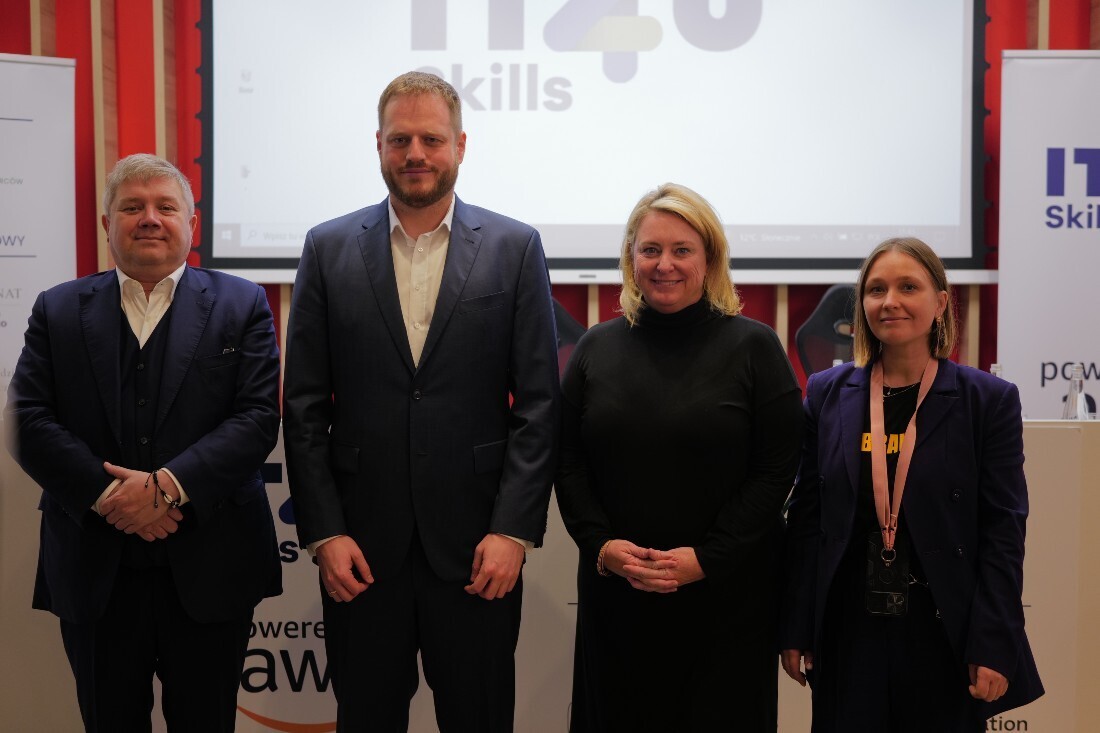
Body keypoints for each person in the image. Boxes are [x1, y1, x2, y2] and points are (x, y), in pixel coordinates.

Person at [282, 71, 560, 732]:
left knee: (479, 716)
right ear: (377, 144)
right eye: (400, 138)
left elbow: (541, 405)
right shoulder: (327, 247)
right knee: (367, 717)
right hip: (361, 550)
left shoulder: (514, 247)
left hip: (477, 550)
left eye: (431, 139)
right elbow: (303, 405)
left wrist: (513, 530)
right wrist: (324, 531)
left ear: (460, 145)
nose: (415, 153)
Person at [4, 153, 282, 732]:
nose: (149, 218)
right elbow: (26, 419)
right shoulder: (56, 308)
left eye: (165, 206)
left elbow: (257, 418)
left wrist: (167, 490)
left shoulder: (243, 304)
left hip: (212, 566)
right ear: (107, 224)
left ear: (192, 224)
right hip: (95, 569)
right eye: (132, 207)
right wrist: (112, 496)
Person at [555, 183, 803, 732]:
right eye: (650, 250)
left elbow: (776, 470)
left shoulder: (755, 347)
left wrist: (708, 559)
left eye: (682, 250)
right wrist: (602, 546)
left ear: (709, 259)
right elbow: (568, 462)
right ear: (631, 259)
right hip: (617, 595)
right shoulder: (595, 348)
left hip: (726, 599)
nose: (664, 264)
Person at [780, 237, 1044, 732]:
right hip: (847, 629)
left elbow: (1004, 531)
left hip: (944, 628)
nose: (890, 301)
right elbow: (808, 520)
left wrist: (993, 640)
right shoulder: (826, 393)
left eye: (908, 287)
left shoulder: (987, 400)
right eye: (875, 289)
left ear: (941, 301)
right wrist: (797, 626)